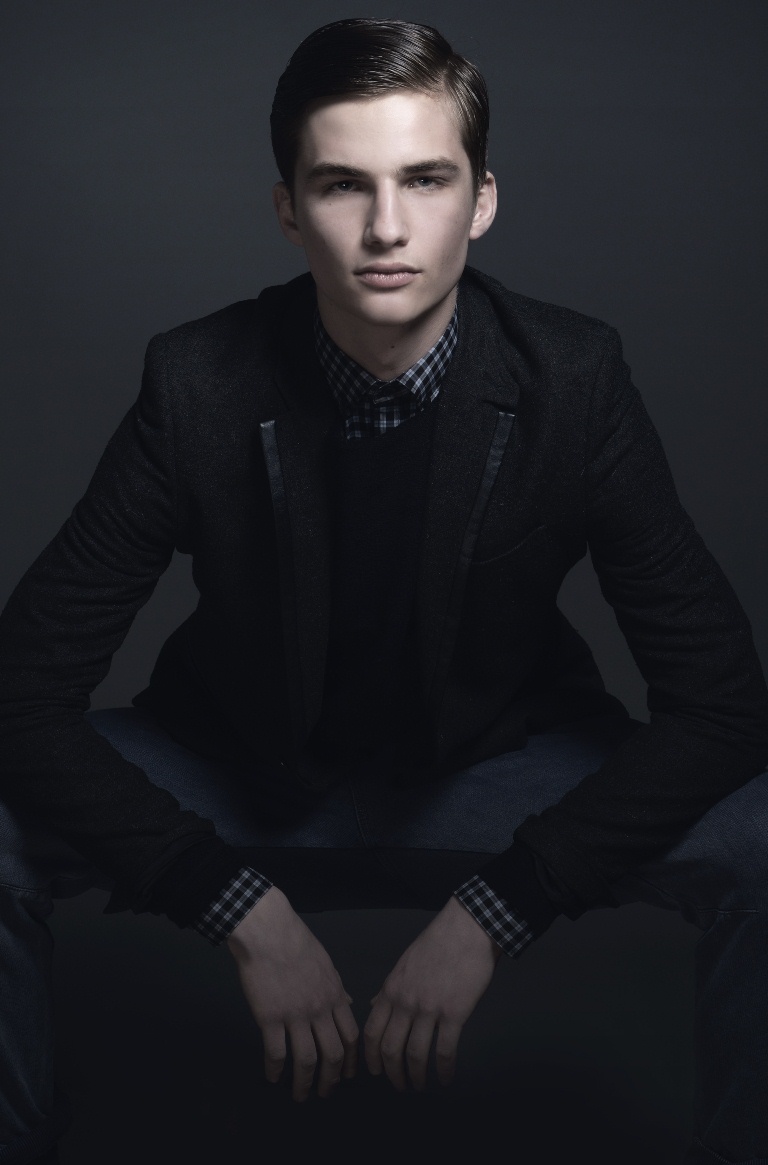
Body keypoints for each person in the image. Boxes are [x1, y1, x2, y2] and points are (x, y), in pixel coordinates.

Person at [0, 17, 766, 1165]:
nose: (388, 227)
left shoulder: (575, 378)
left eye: (426, 179)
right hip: (238, 775)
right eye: (343, 185)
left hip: (491, 776)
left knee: (761, 832)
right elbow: (19, 693)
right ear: (287, 209)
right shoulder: (197, 382)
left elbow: (724, 705)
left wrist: (503, 905)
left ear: (483, 200)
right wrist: (229, 901)